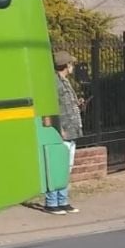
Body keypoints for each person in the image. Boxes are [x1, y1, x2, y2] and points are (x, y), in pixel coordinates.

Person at [45, 50, 84, 215]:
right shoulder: (54, 82)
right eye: (71, 64)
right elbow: (51, 106)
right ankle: (52, 202)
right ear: (65, 65)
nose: (72, 66)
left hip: (72, 129)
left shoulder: (65, 81)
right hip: (63, 130)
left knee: (66, 167)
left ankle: (63, 200)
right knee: (57, 166)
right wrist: (58, 128)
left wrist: (78, 103)